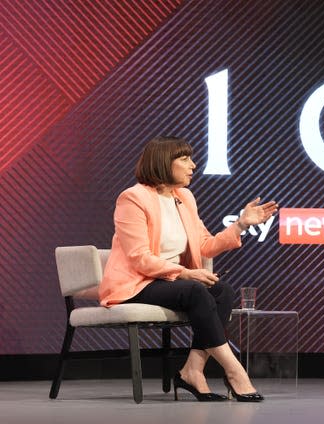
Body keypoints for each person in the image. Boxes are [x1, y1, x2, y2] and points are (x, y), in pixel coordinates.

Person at [99, 136, 278, 402]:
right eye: (184, 159)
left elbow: (204, 245)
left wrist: (240, 225)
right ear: (163, 162)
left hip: (170, 282)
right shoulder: (133, 198)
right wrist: (184, 272)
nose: (193, 165)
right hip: (137, 283)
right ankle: (235, 371)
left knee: (223, 292)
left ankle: (193, 370)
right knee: (196, 290)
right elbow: (139, 258)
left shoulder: (184, 197)